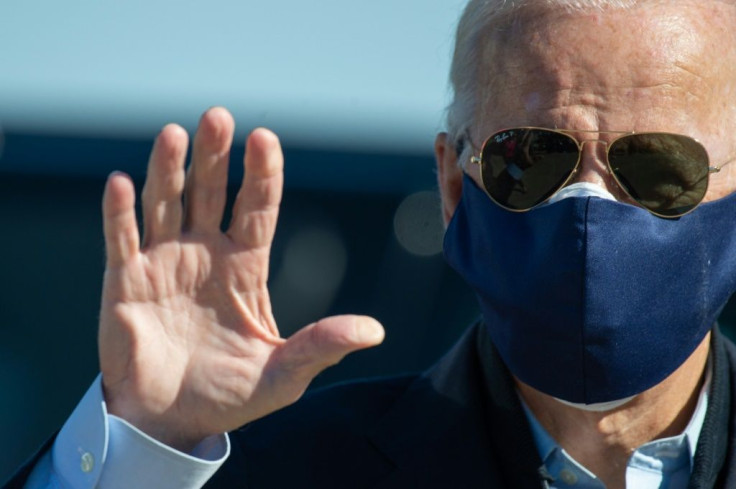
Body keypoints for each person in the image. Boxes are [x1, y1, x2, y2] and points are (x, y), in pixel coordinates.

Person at [6, 0, 736, 487]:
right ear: (454, 186)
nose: (589, 207)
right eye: (529, 159)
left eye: (657, 167)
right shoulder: (276, 471)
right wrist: (143, 442)